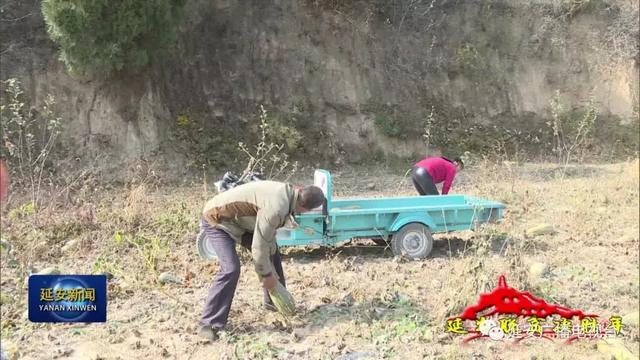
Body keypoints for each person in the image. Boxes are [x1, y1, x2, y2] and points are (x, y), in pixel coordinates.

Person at [197, 180, 325, 341]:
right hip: (217, 220)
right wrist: (266, 275)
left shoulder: (290, 193)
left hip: (241, 222)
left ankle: (274, 302)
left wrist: (270, 271)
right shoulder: (277, 208)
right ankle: (208, 323)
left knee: (272, 252)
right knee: (231, 268)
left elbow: (267, 239)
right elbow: (259, 247)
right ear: (304, 209)